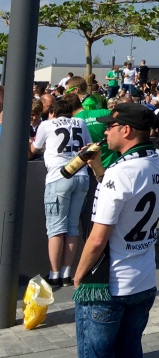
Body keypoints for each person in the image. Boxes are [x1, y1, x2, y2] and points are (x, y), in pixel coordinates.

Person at [74, 103, 159, 358]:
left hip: (111, 283)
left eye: (110, 127)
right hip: (144, 278)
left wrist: (79, 275)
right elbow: (126, 196)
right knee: (130, 350)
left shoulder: (120, 172)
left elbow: (97, 239)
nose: (105, 133)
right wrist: (97, 168)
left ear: (126, 130)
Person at [30, 94, 93, 289]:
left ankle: (54, 274)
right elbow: (89, 146)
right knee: (72, 227)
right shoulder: (79, 123)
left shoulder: (47, 125)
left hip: (59, 177)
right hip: (81, 175)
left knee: (56, 228)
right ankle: (67, 273)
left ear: (53, 112)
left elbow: (33, 149)